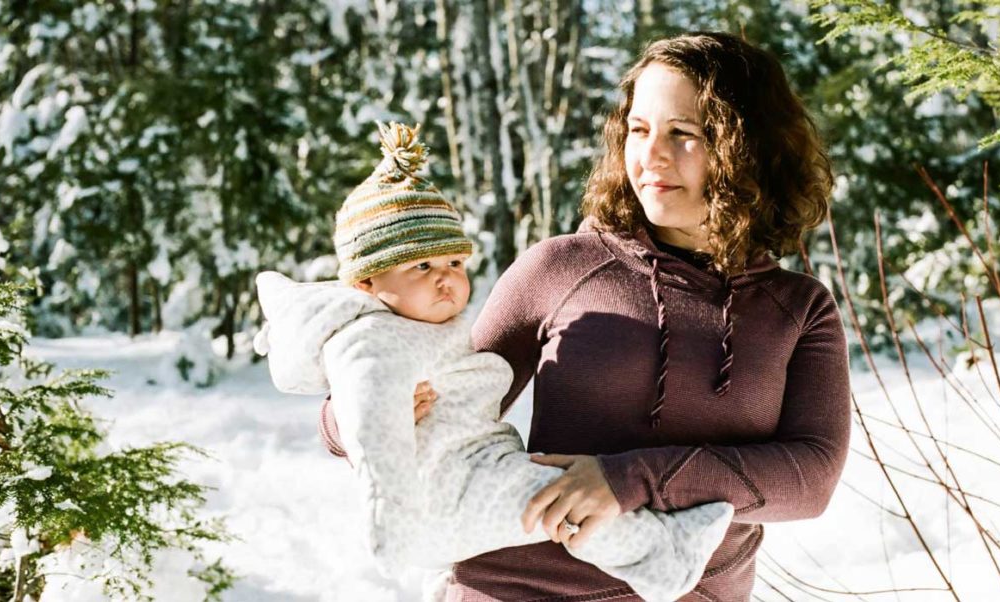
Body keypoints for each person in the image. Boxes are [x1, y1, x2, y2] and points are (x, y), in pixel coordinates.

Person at [321, 31, 851, 601]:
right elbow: (448, 396)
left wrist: (626, 481)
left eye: (684, 134)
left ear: (747, 147)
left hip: (692, 590)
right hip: (519, 586)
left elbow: (811, 478)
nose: (651, 155)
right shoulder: (563, 267)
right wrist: (359, 413)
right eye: (639, 130)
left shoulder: (797, 309)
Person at [254, 122, 734, 602]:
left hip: (469, 478)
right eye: (421, 266)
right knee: (559, 504)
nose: (446, 280)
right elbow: (373, 436)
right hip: (444, 492)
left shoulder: (416, 325)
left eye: (455, 264)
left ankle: (659, 555)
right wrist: (388, 517)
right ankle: (662, 555)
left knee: (560, 500)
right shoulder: (372, 340)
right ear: (366, 283)